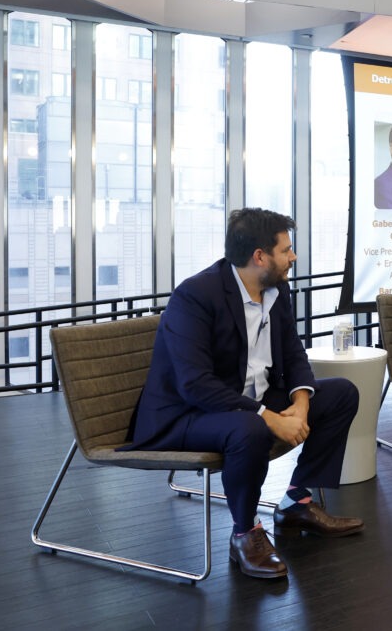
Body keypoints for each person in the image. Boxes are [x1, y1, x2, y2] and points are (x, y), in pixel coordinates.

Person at [124, 208, 364, 580]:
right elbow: (196, 385)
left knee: (341, 393)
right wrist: (266, 417)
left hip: (250, 400)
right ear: (259, 257)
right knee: (249, 429)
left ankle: (296, 503)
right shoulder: (196, 296)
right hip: (186, 414)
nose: (293, 257)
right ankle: (245, 532)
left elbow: (294, 351)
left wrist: (301, 405)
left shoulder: (276, 290)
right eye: (286, 250)